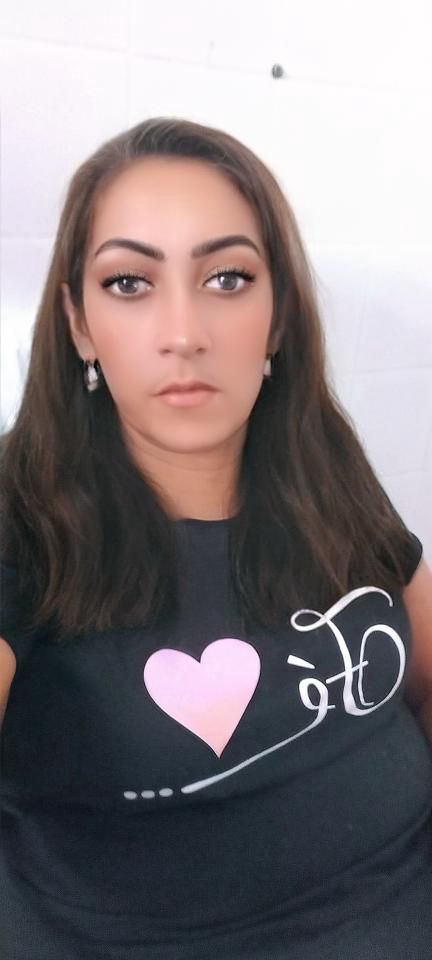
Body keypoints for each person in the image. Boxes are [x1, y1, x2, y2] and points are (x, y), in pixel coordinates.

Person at [0, 116, 431, 960]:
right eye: (129, 282)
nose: (184, 332)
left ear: (278, 318)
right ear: (79, 324)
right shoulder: (20, 514)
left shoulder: (324, 467)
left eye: (228, 277)